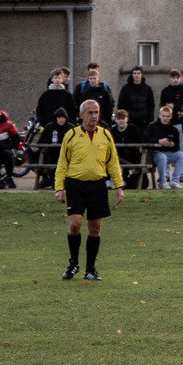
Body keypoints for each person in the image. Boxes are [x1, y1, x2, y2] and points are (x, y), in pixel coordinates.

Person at [55, 99, 124, 281]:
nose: (93, 116)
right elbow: (62, 163)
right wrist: (59, 187)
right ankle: (73, 263)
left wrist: (119, 186)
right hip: (75, 184)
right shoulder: (71, 135)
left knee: (95, 228)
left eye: (96, 112)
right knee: (75, 224)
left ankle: (90, 269)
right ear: (81, 115)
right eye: (90, 113)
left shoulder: (105, 135)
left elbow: (113, 163)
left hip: (98, 185)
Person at [33, 107, 72, 189]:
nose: (61, 120)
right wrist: (49, 144)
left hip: (67, 155)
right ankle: (49, 180)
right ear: (56, 118)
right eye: (59, 117)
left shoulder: (71, 128)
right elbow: (41, 141)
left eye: (63, 117)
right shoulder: (49, 127)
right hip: (51, 155)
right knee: (40, 158)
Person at [146, 104, 183, 189]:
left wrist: (172, 145)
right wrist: (158, 141)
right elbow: (145, 139)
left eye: (167, 116)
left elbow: (177, 147)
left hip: (169, 152)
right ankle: (162, 182)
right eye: (163, 116)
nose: (165, 118)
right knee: (162, 157)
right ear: (159, 116)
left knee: (181, 155)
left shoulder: (174, 130)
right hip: (155, 153)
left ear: (171, 116)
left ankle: (175, 181)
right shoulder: (152, 126)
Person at [33, 68, 74, 137]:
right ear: (52, 79)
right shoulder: (45, 95)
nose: (57, 80)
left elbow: (72, 110)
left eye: (59, 78)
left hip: (65, 128)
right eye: (55, 78)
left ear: (62, 79)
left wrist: (70, 123)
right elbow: (39, 110)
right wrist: (43, 123)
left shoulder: (68, 95)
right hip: (48, 127)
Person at [112, 109, 147, 190]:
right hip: (117, 157)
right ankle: (110, 182)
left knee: (143, 182)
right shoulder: (112, 131)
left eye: (123, 118)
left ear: (127, 119)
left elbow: (140, 143)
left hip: (132, 156)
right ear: (116, 120)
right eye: (119, 119)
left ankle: (127, 181)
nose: (121, 121)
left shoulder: (134, 130)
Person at [118, 66, 156, 132]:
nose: (136, 75)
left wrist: (150, 120)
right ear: (132, 75)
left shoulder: (147, 89)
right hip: (129, 121)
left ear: (141, 75)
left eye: (138, 73)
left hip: (143, 121)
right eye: (135, 73)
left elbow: (151, 105)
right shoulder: (125, 88)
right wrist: (123, 118)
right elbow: (121, 104)